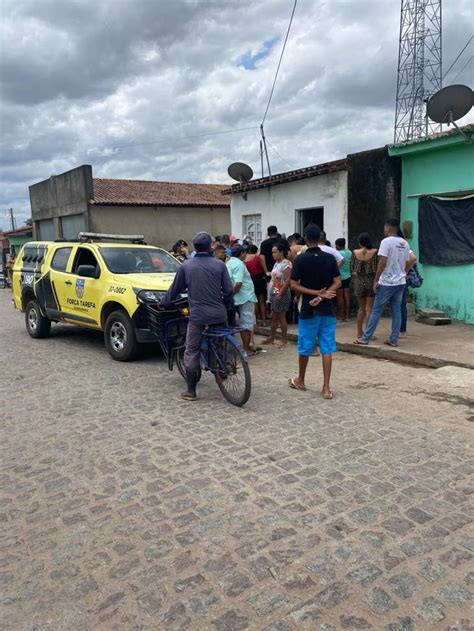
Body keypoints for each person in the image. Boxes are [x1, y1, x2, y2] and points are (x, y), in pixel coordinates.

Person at [162, 231, 233, 401]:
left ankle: (191, 391)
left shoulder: (186, 266)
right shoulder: (220, 265)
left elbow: (175, 289)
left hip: (198, 315)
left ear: (194, 247)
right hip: (219, 314)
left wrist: (164, 302)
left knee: (191, 350)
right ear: (211, 247)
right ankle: (222, 369)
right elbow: (229, 291)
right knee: (220, 342)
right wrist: (225, 305)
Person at [289, 224, 341, 398]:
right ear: (320, 237)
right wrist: (323, 294)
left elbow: (294, 284)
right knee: (327, 348)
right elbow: (338, 281)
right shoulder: (329, 258)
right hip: (327, 309)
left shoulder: (301, 259)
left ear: (305, 238)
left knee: (305, 347)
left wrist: (315, 293)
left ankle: (301, 380)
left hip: (308, 309)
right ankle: (326, 388)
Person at [354, 218, 410, 348]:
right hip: (400, 281)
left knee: (376, 310)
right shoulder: (404, 243)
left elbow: (382, 262)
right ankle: (393, 339)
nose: (384, 230)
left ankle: (365, 338)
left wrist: (376, 279)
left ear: (388, 228)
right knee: (396, 311)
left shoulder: (386, 242)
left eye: (385, 227)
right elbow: (407, 261)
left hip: (387, 282)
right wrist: (402, 273)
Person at [226, 245, 258, 355]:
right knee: (246, 324)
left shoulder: (229, 263)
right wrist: (230, 295)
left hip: (239, 297)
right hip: (244, 297)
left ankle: (246, 347)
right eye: (245, 253)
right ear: (241, 253)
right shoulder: (239, 264)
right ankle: (246, 348)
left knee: (243, 323)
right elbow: (238, 283)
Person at [263, 243, 292, 348]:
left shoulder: (286, 264)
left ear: (281, 252)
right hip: (275, 292)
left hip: (281, 293)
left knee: (281, 317)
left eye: (275, 252)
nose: (273, 254)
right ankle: (272, 337)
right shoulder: (277, 263)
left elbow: (287, 280)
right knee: (275, 317)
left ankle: (284, 340)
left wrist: (280, 293)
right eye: (272, 252)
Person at [350, 233, 378, 340]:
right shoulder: (375, 252)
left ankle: (359, 332)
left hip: (359, 281)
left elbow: (352, 267)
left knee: (361, 308)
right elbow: (377, 266)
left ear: (360, 242)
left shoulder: (355, 252)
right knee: (369, 309)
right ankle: (369, 333)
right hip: (371, 281)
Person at [397, 228, 417, 339]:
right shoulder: (404, 245)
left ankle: (400, 330)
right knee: (401, 305)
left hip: (397, 279)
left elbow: (413, 257)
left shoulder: (402, 245)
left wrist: (404, 270)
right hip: (402, 279)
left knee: (399, 305)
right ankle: (401, 330)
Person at [245, 244, 267, 326]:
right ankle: (264, 321)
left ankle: (256, 321)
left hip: (251, 279)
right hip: (260, 278)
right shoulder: (259, 257)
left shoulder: (245, 258)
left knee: (255, 301)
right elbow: (264, 268)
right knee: (262, 301)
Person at [335, 238, 352, 321]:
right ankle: (347, 315)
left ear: (337, 245)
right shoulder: (349, 253)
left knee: (340, 297)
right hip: (348, 276)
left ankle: (340, 315)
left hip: (340, 277)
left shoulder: (338, 253)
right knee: (347, 296)